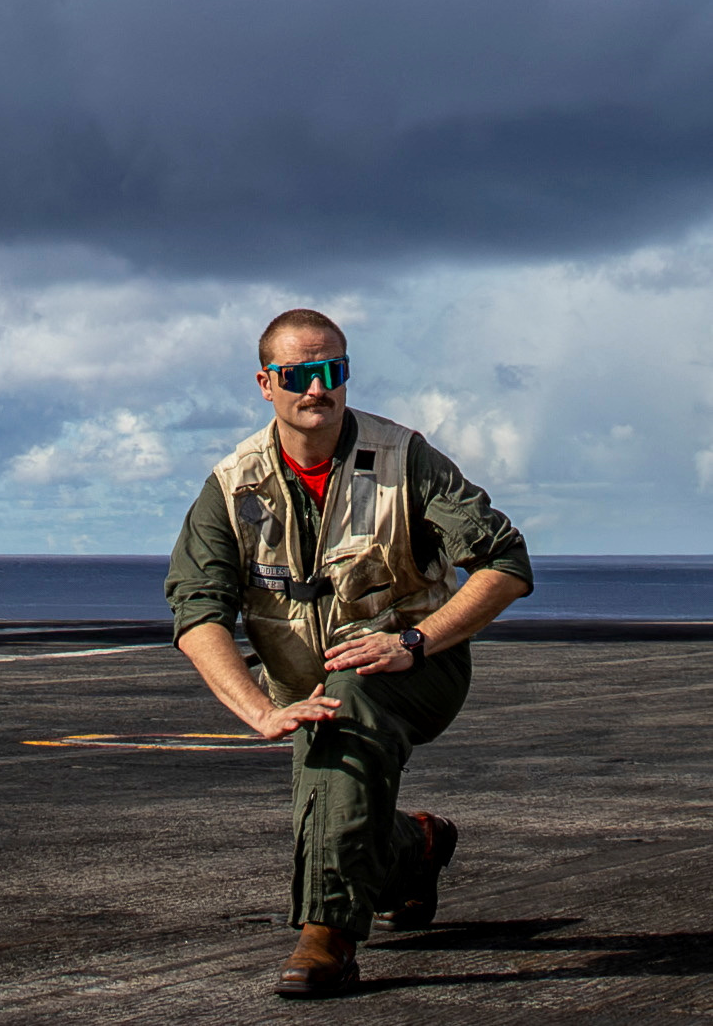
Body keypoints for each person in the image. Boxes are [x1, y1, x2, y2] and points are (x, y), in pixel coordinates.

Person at [166, 308, 533, 998]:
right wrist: (259, 711)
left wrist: (414, 640)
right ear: (265, 382)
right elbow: (196, 611)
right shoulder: (232, 485)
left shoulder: (404, 458)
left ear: (345, 375)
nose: (316, 389)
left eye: (330, 371)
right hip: (305, 684)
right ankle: (412, 848)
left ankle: (326, 933)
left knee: (347, 710)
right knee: (338, 777)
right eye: (298, 374)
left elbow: (504, 563)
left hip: (422, 665)